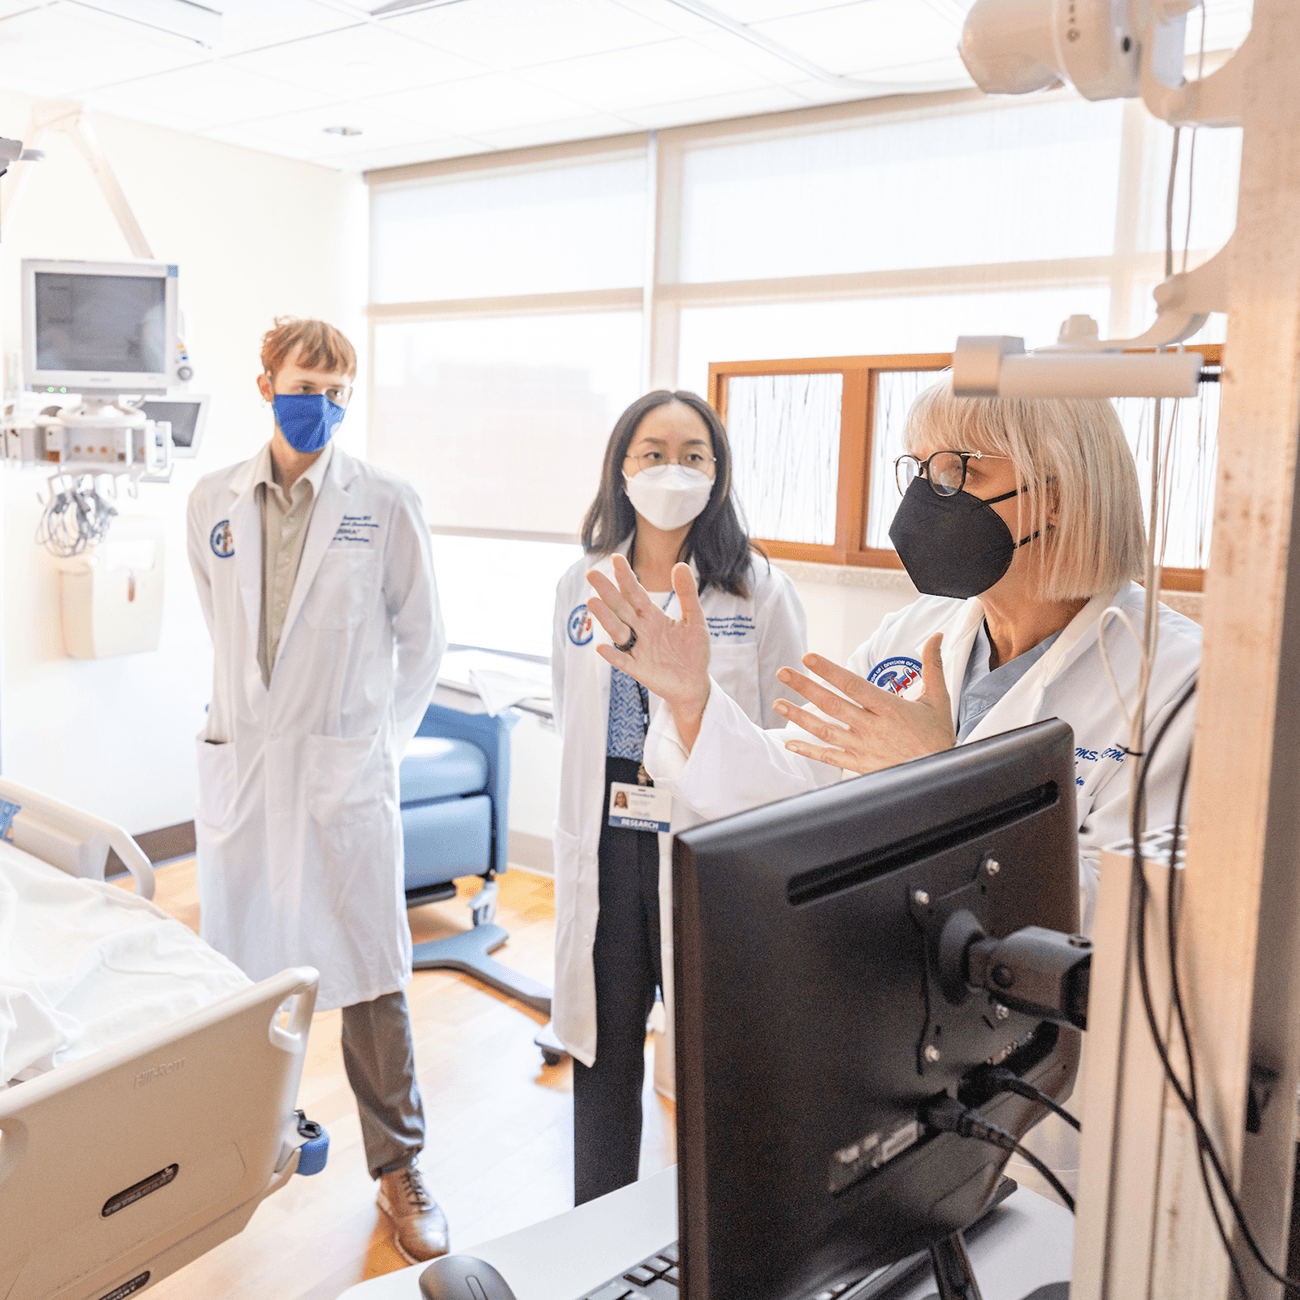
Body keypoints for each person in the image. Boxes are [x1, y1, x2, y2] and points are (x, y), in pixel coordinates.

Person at [585, 383, 1202, 937]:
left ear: (1057, 496)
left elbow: (1126, 920)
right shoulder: (913, 632)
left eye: (962, 472)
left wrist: (942, 782)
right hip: (888, 988)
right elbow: (804, 783)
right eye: (924, 472)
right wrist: (693, 702)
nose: (931, 501)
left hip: (1045, 1037)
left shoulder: (1176, 679)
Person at [187, 317, 449, 1262]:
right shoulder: (210, 501)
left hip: (344, 773)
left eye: (339, 392)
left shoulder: (383, 501)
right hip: (248, 768)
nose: (323, 405)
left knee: (372, 974)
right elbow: (225, 625)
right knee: (242, 965)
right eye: (307, 385)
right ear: (266, 384)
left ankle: (399, 1167)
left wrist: (376, 746)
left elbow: (424, 641)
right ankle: (245, 1140)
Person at [552, 389, 807, 1205]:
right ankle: (597, 1238)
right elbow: (574, 716)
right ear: (621, 468)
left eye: (693, 453)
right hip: (606, 841)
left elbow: (789, 740)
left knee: (714, 1059)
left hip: (707, 845)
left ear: (718, 472)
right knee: (605, 1054)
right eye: (652, 451)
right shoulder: (579, 584)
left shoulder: (758, 590)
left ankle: (718, 1243)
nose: (672, 468)